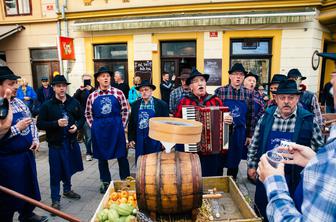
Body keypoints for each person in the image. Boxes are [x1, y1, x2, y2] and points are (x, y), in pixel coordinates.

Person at [247, 79, 324, 221]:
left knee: (289, 213)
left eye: (291, 98)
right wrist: (251, 165)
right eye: (282, 98)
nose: (286, 101)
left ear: (298, 98)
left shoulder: (308, 120)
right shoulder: (266, 117)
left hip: (294, 180)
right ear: (275, 98)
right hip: (266, 177)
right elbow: (255, 143)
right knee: (262, 212)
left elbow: (319, 151)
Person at [0, 66, 47, 222]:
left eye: (15, 83)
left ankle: (27, 214)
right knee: (9, 195)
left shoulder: (19, 102)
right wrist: (16, 128)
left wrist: (35, 139)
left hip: (26, 155)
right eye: (11, 83)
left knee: (29, 187)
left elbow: (31, 122)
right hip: (7, 160)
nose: (15, 87)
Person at [37, 75, 84, 211]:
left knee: (68, 167)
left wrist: (77, 126)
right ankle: (55, 199)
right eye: (58, 86)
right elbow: (40, 123)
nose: (62, 88)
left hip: (70, 143)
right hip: (55, 144)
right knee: (55, 172)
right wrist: (55, 123)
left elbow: (81, 118)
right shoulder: (47, 105)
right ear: (53, 88)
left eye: (64, 85)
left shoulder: (73, 102)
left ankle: (67, 190)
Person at [175, 68, 233, 176]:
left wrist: (229, 122)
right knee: (192, 178)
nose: (200, 83)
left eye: (202, 80)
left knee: (210, 178)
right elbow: (177, 126)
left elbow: (226, 126)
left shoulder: (216, 100)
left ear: (205, 83)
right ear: (191, 86)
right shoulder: (184, 102)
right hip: (191, 150)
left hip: (212, 151)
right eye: (196, 81)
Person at [85, 66, 130, 193]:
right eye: (103, 76)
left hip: (116, 127)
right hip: (99, 129)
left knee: (121, 155)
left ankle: (126, 181)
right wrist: (93, 126)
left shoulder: (118, 93)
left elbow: (126, 110)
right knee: (101, 157)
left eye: (108, 76)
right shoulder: (92, 96)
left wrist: (121, 125)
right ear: (98, 79)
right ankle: (105, 182)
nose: (106, 78)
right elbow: (88, 113)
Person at [214, 63, 255, 180]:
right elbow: (214, 112)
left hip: (239, 132)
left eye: (241, 75)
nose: (238, 77)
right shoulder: (220, 91)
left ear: (243, 78)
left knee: (235, 159)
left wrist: (249, 135)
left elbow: (250, 116)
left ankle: (232, 182)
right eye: (235, 74)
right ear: (230, 76)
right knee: (220, 158)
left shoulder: (249, 93)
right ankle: (218, 181)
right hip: (223, 132)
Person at [128, 80, 169, 160]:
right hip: (140, 140)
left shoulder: (161, 104)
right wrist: (131, 138)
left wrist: (165, 142)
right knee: (141, 163)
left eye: (146, 90)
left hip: (155, 140)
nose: (144, 92)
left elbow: (166, 125)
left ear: (151, 91)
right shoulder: (135, 105)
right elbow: (132, 123)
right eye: (141, 90)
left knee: (154, 163)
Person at [242, 72, 265, 160]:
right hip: (243, 126)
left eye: (254, 81)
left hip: (254, 127)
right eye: (249, 80)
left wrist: (256, 119)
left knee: (251, 153)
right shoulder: (240, 94)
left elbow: (262, 110)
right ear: (244, 82)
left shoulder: (258, 95)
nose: (252, 82)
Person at [73, 74, 95, 161]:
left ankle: (95, 151)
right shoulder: (80, 91)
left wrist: (92, 90)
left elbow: (97, 98)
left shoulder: (95, 90)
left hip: (95, 116)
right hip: (85, 116)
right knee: (88, 136)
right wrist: (79, 91)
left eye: (88, 80)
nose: (87, 82)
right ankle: (89, 152)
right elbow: (73, 100)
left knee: (95, 136)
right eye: (85, 80)